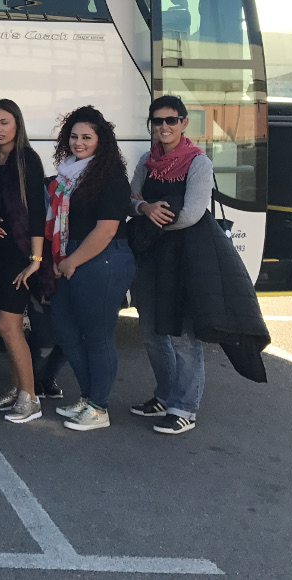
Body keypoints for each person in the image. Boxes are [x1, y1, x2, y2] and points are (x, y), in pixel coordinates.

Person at [45, 105, 135, 431]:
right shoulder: (68, 173)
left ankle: (99, 408)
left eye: (87, 137)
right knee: (65, 330)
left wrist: (70, 262)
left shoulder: (110, 177)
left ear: (102, 140)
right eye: (74, 136)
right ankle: (88, 397)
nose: (79, 142)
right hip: (72, 262)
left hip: (103, 260)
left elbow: (106, 230)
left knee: (97, 337)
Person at [128, 95, 213, 435]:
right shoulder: (146, 161)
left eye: (171, 120)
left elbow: (193, 213)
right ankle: (165, 395)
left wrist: (151, 221)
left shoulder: (198, 163)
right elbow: (130, 198)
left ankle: (185, 407)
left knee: (183, 336)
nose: (164, 126)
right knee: (151, 332)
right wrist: (144, 210)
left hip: (183, 257)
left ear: (184, 123)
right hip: (148, 256)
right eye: (157, 120)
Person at [0, 99, 50, 424]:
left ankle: (31, 398)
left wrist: (36, 260)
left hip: (21, 254)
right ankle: (17, 387)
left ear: (17, 124)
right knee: (8, 325)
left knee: (7, 325)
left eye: (4, 122)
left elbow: (38, 213)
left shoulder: (27, 160)